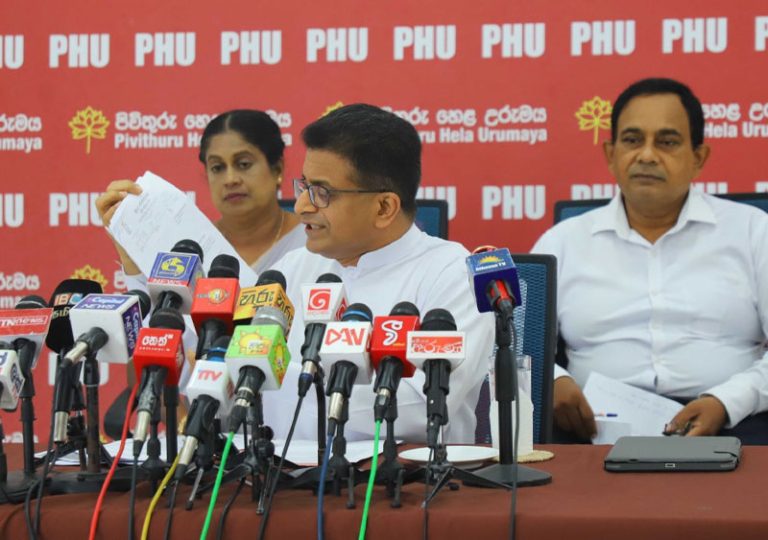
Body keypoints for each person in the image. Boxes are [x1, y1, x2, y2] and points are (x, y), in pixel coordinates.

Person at [533, 78, 768, 444]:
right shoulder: (562, 242)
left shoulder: (754, 232)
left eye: (667, 142)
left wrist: (727, 402)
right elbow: (514, 342)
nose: (646, 155)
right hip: (590, 428)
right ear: (610, 154)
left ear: (699, 157)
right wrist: (553, 381)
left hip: (732, 424)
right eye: (632, 140)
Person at [264, 103, 494, 443]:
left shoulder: (453, 276)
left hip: (407, 474)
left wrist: (282, 377)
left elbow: (424, 407)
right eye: (304, 186)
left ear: (384, 207)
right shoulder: (291, 270)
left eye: (322, 193)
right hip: (282, 471)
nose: (301, 206)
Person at [95, 109, 305, 284]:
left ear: (277, 169)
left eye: (243, 164)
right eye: (217, 167)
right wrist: (129, 254)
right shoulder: (187, 248)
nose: (230, 179)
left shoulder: (312, 240)